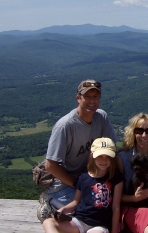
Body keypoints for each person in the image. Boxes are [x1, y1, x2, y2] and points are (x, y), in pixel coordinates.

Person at [37, 79, 118, 222]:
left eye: (95, 97)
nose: (92, 101)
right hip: (65, 182)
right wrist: (79, 185)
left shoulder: (101, 118)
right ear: (78, 98)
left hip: (90, 177)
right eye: (87, 97)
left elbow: (112, 149)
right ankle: (50, 203)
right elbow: (50, 165)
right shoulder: (65, 126)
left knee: (105, 207)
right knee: (89, 211)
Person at [37, 137, 124, 233]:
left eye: (108, 157)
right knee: (48, 222)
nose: (104, 161)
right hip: (80, 220)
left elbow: (116, 207)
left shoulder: (116, 178)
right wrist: (63, 210)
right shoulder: (83, 178)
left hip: (99, 225)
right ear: (92, 156)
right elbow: (76, 201)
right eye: (100, 156)